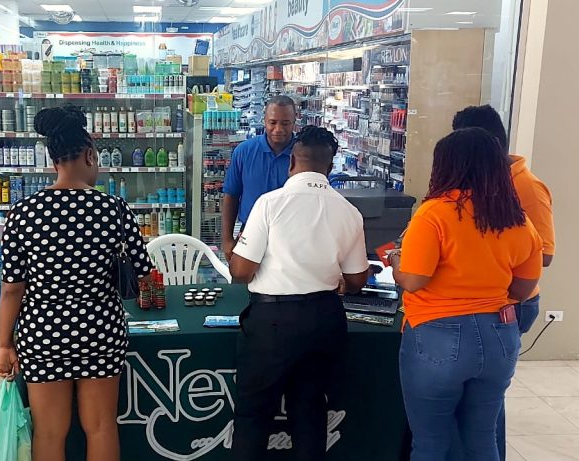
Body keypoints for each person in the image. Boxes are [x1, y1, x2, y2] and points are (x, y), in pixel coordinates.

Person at [0, 105, 152, 461]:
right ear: (90, 155)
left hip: (43, 331)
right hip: (100, 328)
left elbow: (11, 287)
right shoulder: (115, 208)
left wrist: (5, 344)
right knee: (100, 426)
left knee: (49, 432)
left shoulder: (23, 212)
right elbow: (144, 272)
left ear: (53, 162)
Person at [390, 128, 543, 461]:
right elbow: (522, 289)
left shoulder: (433, 214)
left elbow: (414, 280)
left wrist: (395, 260)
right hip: (500, 337)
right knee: (482, 438)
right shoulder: (518, 220)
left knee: (431, 443)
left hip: (436, 335)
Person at [228, 125, 369, 461]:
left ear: (292, 162)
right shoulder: (349, 212)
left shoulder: (269, 204)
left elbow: (241, 271)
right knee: (310, 413)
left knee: (253, 416)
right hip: (324, 319)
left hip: (271, 323)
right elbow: (358, 280)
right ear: (330, 167)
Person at [452, 105, 556, 461]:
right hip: (484, 300)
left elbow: (544, 254)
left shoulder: (526, 186)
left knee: (486, 399)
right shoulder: (483, 180)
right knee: (478, 394)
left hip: (513, 301)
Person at [221, 95, 297, 256]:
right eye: (273, 122)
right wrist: (227, 240)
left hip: (292, 238)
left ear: (294, 122)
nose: (278, 129)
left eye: (285, 123)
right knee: (244, 279)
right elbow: (231, 195)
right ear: (264, 121)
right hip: (249, 235)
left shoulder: (303, 154)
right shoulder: (244, 151)